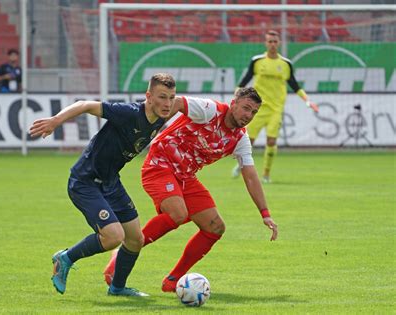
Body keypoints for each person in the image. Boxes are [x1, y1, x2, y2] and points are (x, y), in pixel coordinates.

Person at [104, 87, 279, 292]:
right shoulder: (210, 110)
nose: (248, 115)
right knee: (178, 214)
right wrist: (149, 122)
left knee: (215, 226)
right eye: (246, 108)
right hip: (159, 165)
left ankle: (173, 280)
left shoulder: (240, 139)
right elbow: (177, 102)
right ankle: (123, 252)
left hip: (185, 177)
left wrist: (265, 213)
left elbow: (250, 176)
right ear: (233, 104)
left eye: (253, 112)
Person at [29, 73, 177, 297]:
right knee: (113, 236)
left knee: (136, 239)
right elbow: (85, 105)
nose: (167, 104)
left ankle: (117, 288)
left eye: (171, 98)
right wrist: (55, 121)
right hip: (85, 181)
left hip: (110, 182)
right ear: (148, 96)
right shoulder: (128, 113)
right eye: (162, 97)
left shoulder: (160, 116)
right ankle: (65, 258)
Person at [231, 30, 319, 183]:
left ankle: (266, 175)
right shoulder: (257, 61)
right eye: (269, 41)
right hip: (256, 109)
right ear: (266, 43)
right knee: (248, 142)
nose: (272, 44)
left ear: (279, 43)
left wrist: (307, 101)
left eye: (275, 41)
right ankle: (241, 165)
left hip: (275, 109)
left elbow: (295, 86)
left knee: (271, 142)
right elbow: (243, 82)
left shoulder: (285, 64)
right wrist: (235, 98)